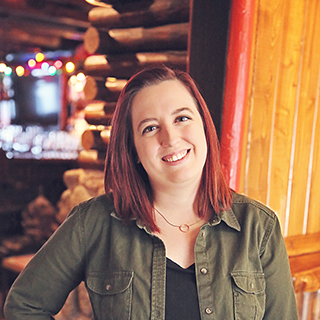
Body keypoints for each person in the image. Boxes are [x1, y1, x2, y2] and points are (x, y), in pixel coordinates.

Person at [4, 65, 298, 320]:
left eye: (182, 118)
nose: (170, 138)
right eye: (149, 128)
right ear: (133, 150)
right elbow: (24, 304)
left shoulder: (258, 227)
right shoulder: (93, 222)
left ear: (204, 126)